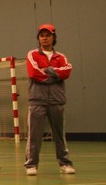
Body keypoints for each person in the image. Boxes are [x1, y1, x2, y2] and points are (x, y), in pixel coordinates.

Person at [24, 24, 75, 176]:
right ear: (38, 38)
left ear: (53, 37)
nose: (45, 38)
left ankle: (65, 163)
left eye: (48, 35)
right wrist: (54, 76)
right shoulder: (32, 54)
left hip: (56, 101)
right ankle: (31, 165)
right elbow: (33, 72)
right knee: (34, 135)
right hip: (37, 101)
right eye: (42, 35)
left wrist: (49, 71)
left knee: (59, 135)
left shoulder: (61, 57)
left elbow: (67, 71)